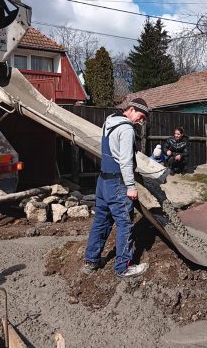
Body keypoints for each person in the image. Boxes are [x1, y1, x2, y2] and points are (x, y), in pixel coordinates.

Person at [83, 98, 150, 278]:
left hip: (102, 181)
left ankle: (91, 261)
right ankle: (123, 267)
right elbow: (125, 160)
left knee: (100, 221)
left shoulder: (109, 121)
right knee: (125, 224)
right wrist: (130, 186)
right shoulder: (127, 129)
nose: (141, 121)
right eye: (141, 116)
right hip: (118, 183)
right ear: (131, 109)